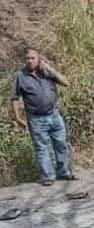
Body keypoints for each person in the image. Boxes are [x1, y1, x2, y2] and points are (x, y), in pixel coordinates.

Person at [8, 46, 74, 186]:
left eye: (33, 58)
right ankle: (48, 176)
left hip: (54, 115)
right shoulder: (21, 76)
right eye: (27, 58)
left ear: (39, 60)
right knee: (42, 148)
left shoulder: (47, 72)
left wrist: (49, 69)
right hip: (36, 119)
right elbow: (14, 98)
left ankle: (63, 172)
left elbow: (66, 83)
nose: (30, 61)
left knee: (61, 144)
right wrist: (17, 118)